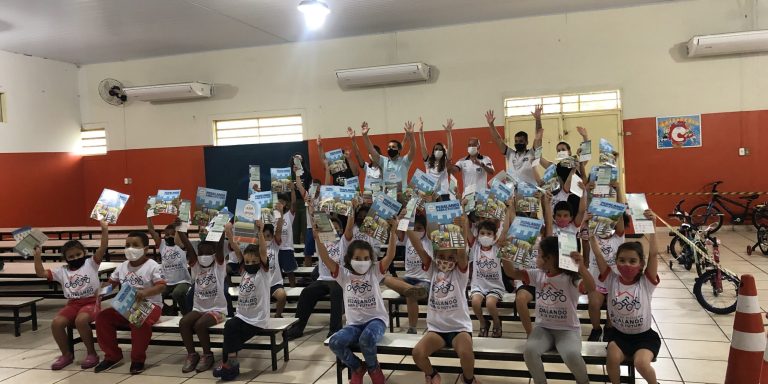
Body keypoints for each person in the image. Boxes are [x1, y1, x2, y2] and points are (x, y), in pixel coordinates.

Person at [503, 236, 595, 384]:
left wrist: (582, 268)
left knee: (571, 354)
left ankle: (583, 381)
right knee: (530, 351)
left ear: (550, 258)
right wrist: (506, 251)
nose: (536, 257)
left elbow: (591, 288)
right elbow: (511, 273)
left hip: (567, 330)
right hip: (543, 328)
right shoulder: (538, 274)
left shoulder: (570, 278)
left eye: (539, 254)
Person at [318, 215, 398, 384]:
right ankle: (356, 367)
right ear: (349, 260)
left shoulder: (374, 271)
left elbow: (390, 255)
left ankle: (373, 368)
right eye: (357, 259)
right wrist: (317, 238)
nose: (362, 262)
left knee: (366, 339)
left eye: (365, 259)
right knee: (335, 342)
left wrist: (393, 232)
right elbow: (325, 258)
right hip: (354, 324)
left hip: (376, 320)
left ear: (371, 260)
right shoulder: (343, 274)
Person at [591, 210, 660, 384]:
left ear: (641, 264)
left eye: (632, 261)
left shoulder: (646, 282)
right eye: (621, 260)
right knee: (612, 359)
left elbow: (653, 254)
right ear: (616, 262)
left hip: (644, 337)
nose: (626, 265)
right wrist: (590, 232)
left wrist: (653, 228)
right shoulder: (611, 280)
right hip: (619, 336)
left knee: (641, 364)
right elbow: (598, 255)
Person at [411, 215, 478, 384]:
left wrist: (463, 227)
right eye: (442, 256)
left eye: (450, 258)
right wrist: (404, 225)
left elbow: (462, 254)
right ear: (436, 255)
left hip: (459, 327)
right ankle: (432, 374)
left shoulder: (460, 273)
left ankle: (468, 379)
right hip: (437, 329)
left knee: (466, 353)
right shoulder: (433, 269)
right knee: (417, 353)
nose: (446, 261)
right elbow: (418, 247)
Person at [34, 221, 109, 370]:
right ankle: (66, 355)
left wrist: (104, 229)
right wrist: (37, 256)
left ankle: (92, 353)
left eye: (78, 254)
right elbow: (41, 273)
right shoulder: (62, 271)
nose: (75, 258)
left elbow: (103, 248)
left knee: (81, 321)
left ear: (84, 253)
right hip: (73, 304)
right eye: (71, 256)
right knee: (56, 323)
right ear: (66, 259)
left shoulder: (91, 263)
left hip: (91, 302)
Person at [94, 231, 166, 375]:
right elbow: (111, 283)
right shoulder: (122, 266)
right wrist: (101, 292)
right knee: (103, 318)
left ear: (145, 249)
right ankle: (112, 355)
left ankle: (137, 359)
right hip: (126, 305)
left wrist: (145, 292)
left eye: (135, 245)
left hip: (150, 305)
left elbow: (162, 286)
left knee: (138, 320)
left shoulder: (153, 266)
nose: (130, 248)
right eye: (127, 245)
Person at [212, 229, 270, 381]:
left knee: (230, 331)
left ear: (260, 262)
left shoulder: (262, 273)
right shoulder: (244, 270)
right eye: (248, 261)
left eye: (254, 262)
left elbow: (263, 251)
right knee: (229, 329)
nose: (250, 264)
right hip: (242, 316)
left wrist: (260, 232)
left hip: (257, 319)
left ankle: (230, 365)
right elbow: (237, 249)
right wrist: (229, 234)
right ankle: (229, 365)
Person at [284, 213, 346, 340]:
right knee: (307, 292)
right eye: (331, 228)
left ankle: (335, 330)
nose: (333, 231)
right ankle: (297, 328)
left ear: (341, 230)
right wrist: (317, 232)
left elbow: (349, 230)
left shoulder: (344, 242)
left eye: (336, 228)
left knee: (336, 293)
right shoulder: (322, 241)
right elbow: (315, 224)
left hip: (339, 279)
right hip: (323, 279)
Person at [177, 221, 228, 373]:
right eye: (201, 253)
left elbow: (219, 247)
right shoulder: (196, 266)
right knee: (184, 322)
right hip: (199, 308)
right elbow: (187, 245)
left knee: (200, 324)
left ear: (213, 254)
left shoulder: (219, 267)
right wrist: (181, 227)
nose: (203, 256)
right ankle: (192, 354)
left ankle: (208, 354)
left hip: (218, 310)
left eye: (207, 253)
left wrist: (221, 226)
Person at [585, 180, 627, 342]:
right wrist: (588, 193)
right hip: (596, 281)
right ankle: (596, 329)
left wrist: (618, 190)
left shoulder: (618, 236)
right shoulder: (593, 235)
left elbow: (620, 212)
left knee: (613, 304)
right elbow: (588, 210)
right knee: (594, 304)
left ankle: (610, 327)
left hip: (615, 281)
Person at [381, 213, 431, 334]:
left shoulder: (428, 240)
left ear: (425, 229)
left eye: (419, 229)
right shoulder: (407, 238)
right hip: (408, 279)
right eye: (413, 228)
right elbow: (397, 230)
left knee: (411, 294)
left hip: (425, 281)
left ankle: (412, 328)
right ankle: (411, 289)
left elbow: (429, 224)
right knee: (384, 278)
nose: (415, 231)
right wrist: (399, 219)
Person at [465, 210, 512, 338]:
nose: (485, 236)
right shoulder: (475, 245)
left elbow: (506, 229)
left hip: (494, 286)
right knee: (475, 302)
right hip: (478, 285)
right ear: (478, 234)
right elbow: (466, 227)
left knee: (490, 304)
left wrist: (508, 207)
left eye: (489, 233)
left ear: (494, 235)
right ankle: (483, 323)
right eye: (482, 233)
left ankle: (497, 323)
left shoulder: (497, 246)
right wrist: (462, 207)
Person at [486, 107, 543, 186]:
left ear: (526, 142)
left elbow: (538, 136)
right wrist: (491, 125)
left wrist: (538, 119)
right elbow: (498, 139)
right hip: (513, 194)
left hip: (530, 193)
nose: (518, 143)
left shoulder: (532, 153)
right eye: (516, 141)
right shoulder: (510, 154)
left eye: (521, 141)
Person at [147, 215, 191, 316]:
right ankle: (169, 310)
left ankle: (186, 314)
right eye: (166, 235)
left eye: (172, 234)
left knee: (177, 293)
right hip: (167, 282)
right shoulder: (162, 245)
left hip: (182, 281)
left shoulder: (181, 245)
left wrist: (179, 224)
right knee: (155, 293)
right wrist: (149, 216)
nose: (169, 236)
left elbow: (181, 232)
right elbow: (151, 230)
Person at [362, 120, 416, 192]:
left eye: (393, 147)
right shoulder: (383, 161)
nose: (391, 148)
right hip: (387, 198)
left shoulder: (405, 161)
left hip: (402, 197)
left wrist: (411, 136)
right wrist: (365, 136)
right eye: (389, 147)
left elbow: (413, 149)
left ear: (399, 150)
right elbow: (371, 149)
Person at [418, 117, 454, 201]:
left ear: (444, 151)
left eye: (441, 149)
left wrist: (448, 134)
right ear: (433, 151)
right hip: (430, 194)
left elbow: (451, 148)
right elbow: (423, 146)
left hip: (443, 194)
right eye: (436, 149)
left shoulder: (446, 162)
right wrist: (420, 132)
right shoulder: (428, 161)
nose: (438, 150)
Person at [274, 188, 298, 287]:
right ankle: (279, 289)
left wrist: (292, 189)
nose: (280, 203)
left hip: (287, 248)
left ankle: (293, 290)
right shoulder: (272, 216)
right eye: (278, 201)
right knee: (277, 272)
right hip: (276, 249)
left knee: (290, 272)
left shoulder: (289, 215)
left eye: (282, 201)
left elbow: (294, 203)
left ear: (286, 204)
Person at [347, 126, 382, 191]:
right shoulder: (367, 167)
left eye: (374, 154)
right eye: (370, 154)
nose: (372, 155)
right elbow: (357, 155)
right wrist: (353, 140)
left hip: (380, 198)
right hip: (367, 198)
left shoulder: (383, 167)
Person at [290, 152, 313, 245]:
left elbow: (310, 188)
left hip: (304, 202)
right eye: (296, 159)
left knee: (305, 226)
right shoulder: (288, 173)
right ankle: (295, 252)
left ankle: (305, 251)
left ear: (303, 161)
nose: (298, 161)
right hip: (292, 203)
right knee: (294, 228)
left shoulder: (307, 173)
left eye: (300, 159)